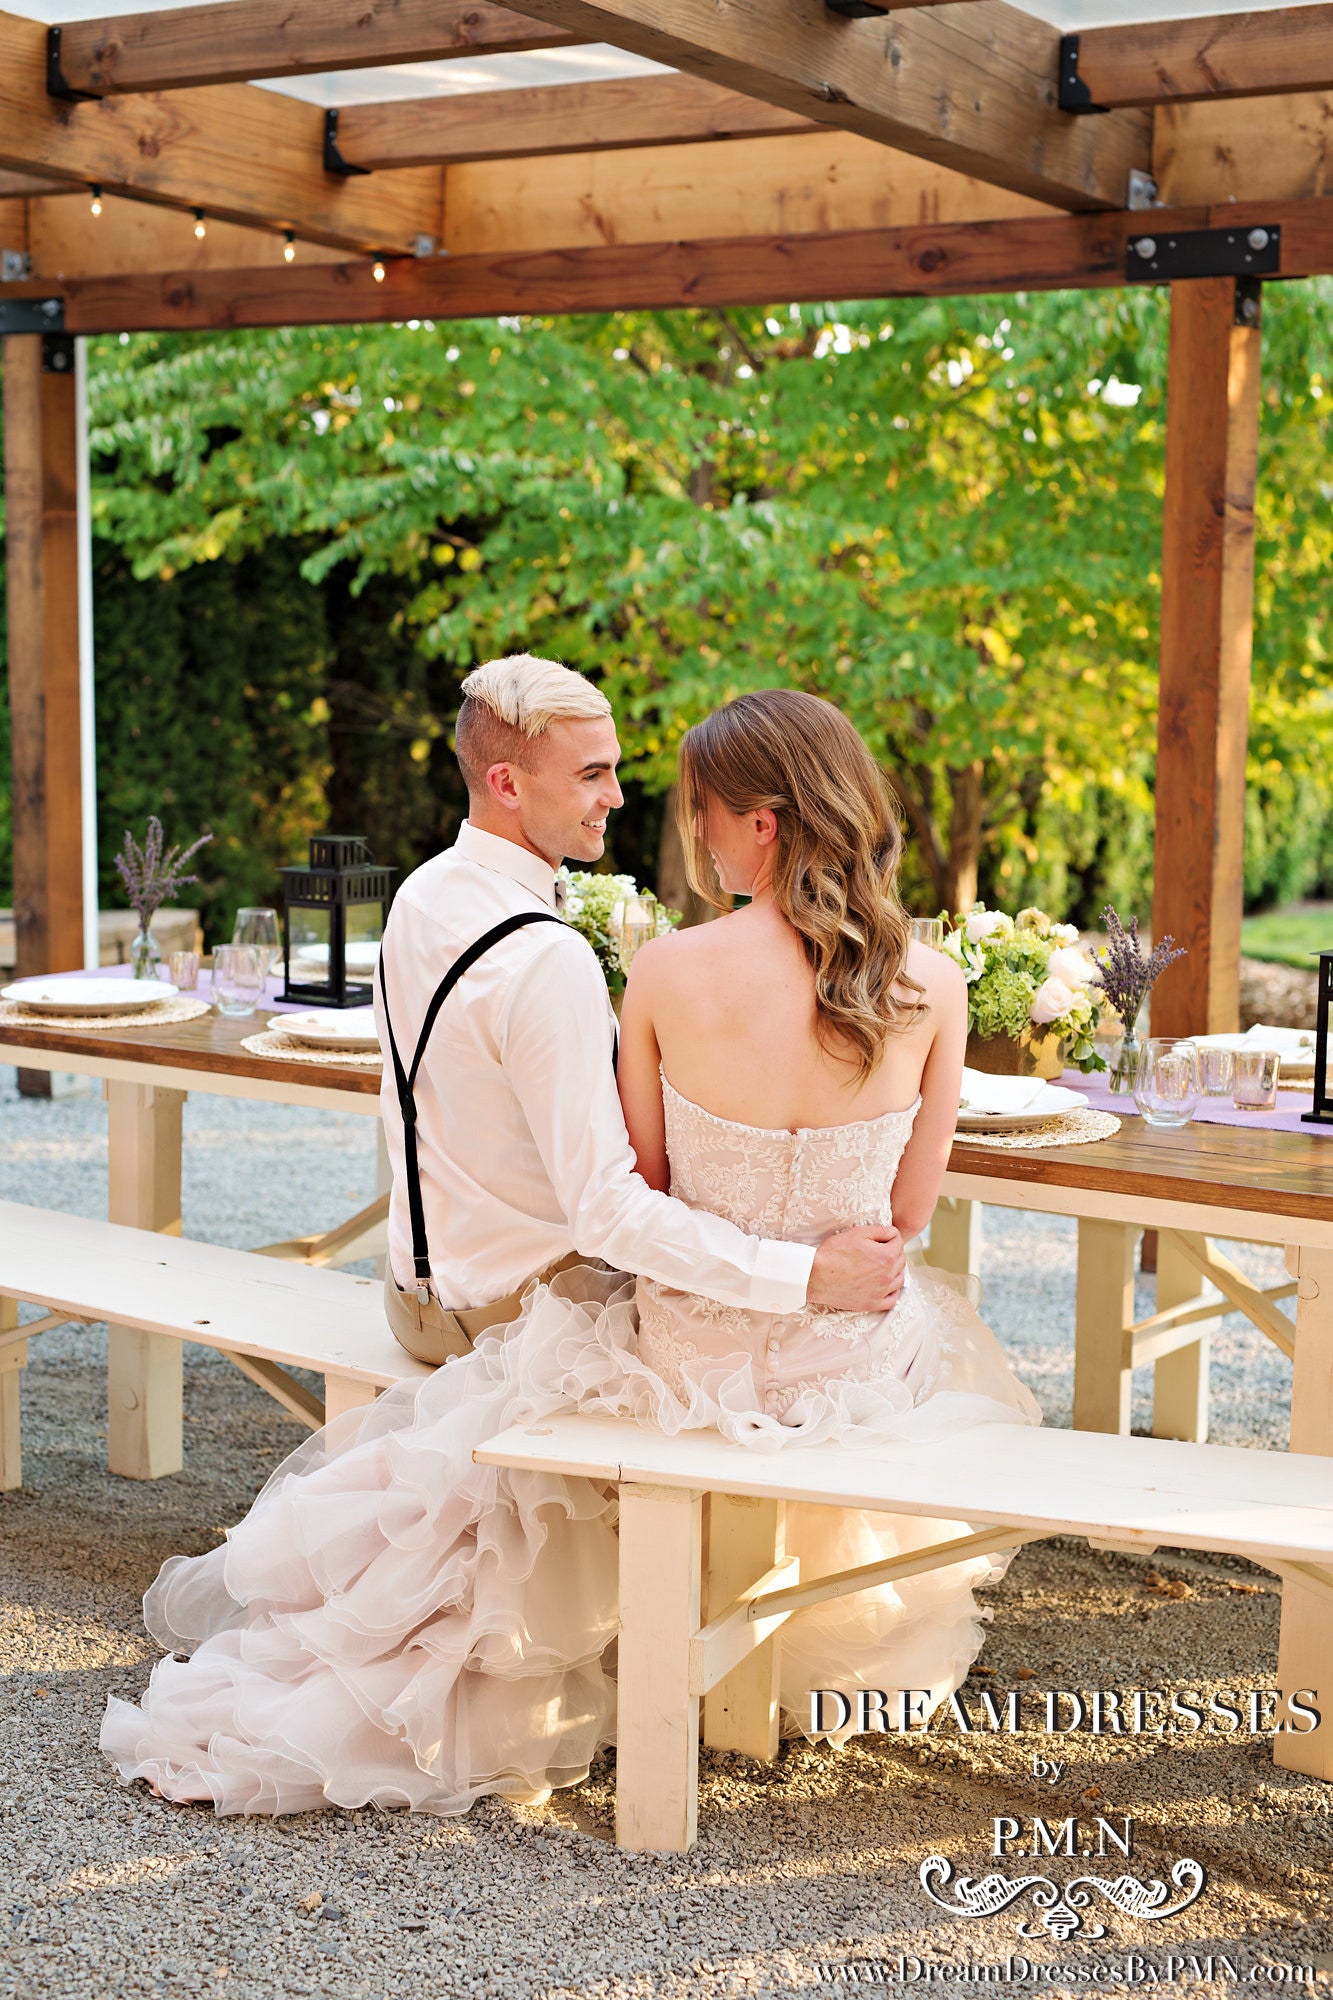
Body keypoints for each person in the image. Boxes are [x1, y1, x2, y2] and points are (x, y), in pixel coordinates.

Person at [100, 677, 1040, 1819]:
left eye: (693, 804)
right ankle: (763, 1642)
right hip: (841, 1351)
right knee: (905, 1322)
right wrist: (821, 1267)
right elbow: (909, 1211)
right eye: (597, 773)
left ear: (761, 822)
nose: (656, 814)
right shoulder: (933, 984)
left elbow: (651, 1184)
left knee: (638, 1339)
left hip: (650, 1336)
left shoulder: (560, 938)